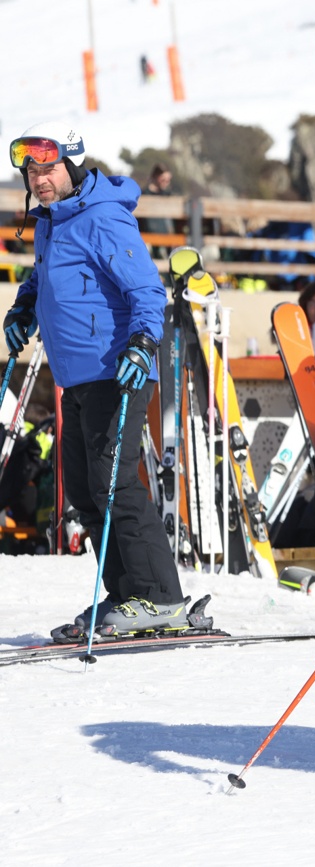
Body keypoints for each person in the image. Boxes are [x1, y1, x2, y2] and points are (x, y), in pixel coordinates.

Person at [4, 122, 191, 635]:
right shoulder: (50, 222)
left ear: (73, 164)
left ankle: (160, 597)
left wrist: (144, 342)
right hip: (76, 376)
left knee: (114, 483)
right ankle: (127, 594)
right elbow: (46, 278)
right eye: (30, 170)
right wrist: (24, 307)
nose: (38, 179)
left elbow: (147, 292)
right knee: (84, 491)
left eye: (48, 167)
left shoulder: (103, 218)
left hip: (118, 370)